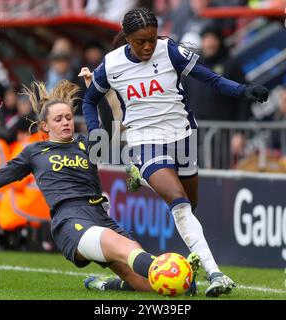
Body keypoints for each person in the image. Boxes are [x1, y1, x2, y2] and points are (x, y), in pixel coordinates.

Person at [0, 80, 197, 293]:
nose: (66, 123)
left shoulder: (85, 144)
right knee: (126, 250)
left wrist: (98, 90)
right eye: (59, 119)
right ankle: (168, 267)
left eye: (69, 117)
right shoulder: (34, 152)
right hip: (69, 221)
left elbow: (115, 126)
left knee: (146, 285)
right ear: (44, 126)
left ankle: (110, 284)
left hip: (99, 215)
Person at [81, 7, 269, 297]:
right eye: (140, 41)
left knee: (190, 207)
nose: (147, 46)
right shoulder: (111, 65)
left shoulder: (169, 51)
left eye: (152, 40)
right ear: (128, 38)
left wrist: (244, 90)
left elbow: (212, 79)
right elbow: (89, 101)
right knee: (179, 204)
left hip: (183, 138)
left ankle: (140, 176)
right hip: (145, 141)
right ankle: (216, 274)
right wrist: (95, 135)